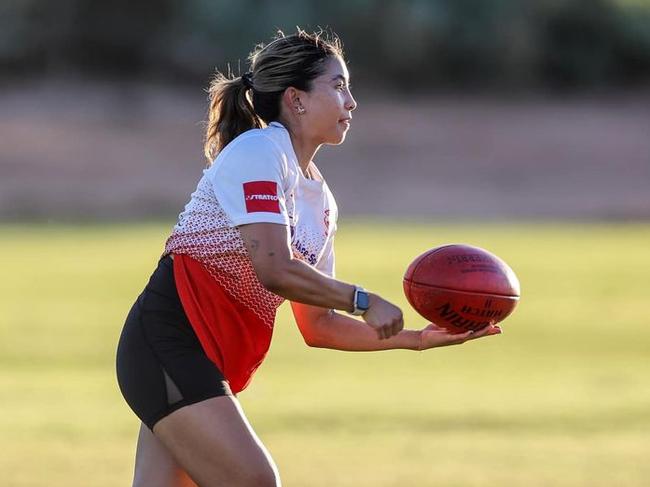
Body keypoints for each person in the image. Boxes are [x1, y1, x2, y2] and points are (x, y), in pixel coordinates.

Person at [115, 28, 501, 487]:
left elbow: (318, 326)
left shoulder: (320, 201)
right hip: (169, 345)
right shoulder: (259, 151)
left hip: (210, 363)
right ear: (296, 100)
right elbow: (275, 269)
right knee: (256, 480)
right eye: (338, 87)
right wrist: (362, 299)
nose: (351, 102)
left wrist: (416, 338)